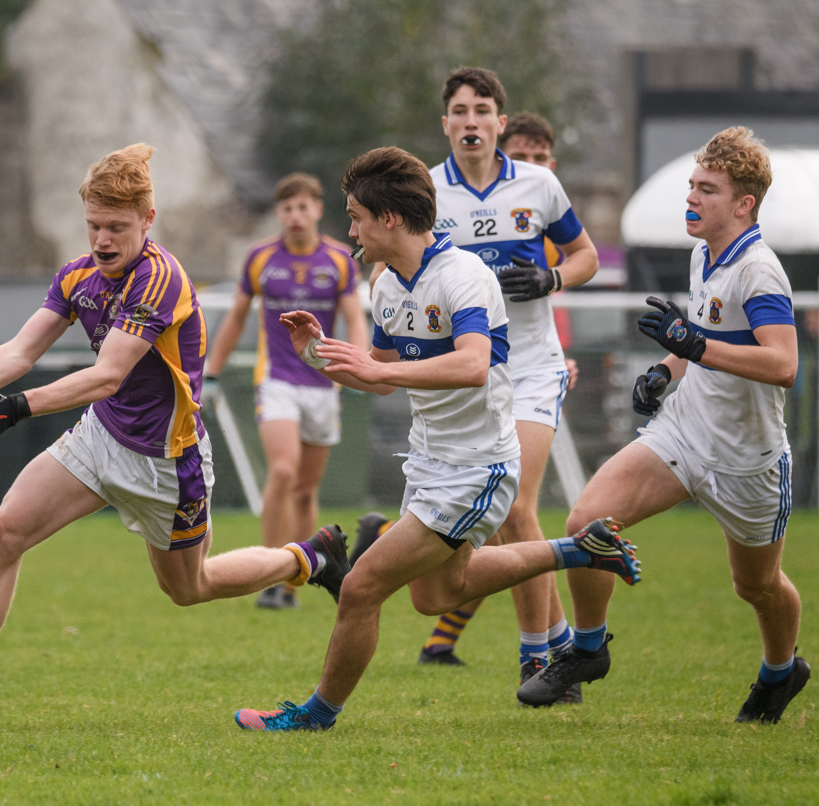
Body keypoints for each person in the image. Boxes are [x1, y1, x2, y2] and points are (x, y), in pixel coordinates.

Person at [0, 144, 353, 727]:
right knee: (4, 531)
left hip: (168, 462)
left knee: (192, 588)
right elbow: (18, 350)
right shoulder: (78, 276)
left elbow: (107, 373)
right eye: (93, 226)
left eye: (116, 227)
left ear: (148, 221)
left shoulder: (160, 278)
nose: (102, 240)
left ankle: (309, 559)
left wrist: (10, 411)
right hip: (100, 438)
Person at [233, 146, 640, 732]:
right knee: (432, 596)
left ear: (390, 219)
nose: (350, 232)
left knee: (361, 588)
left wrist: (380, 372)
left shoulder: (463, 277)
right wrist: (317, 355)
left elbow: (473, 364)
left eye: (356, 218)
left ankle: (314, 715)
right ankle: (578, 549)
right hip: (430, 463)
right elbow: (374, 371)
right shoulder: (389, 284)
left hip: (477, 467)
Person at [519, 127, 811, 723]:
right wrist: (666, 368)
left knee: (756, 587)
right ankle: (589, 648)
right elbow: (700, 339)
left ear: (744, 204)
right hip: (684, 433)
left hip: (748, 460)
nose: (692, 198)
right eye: (691, 186)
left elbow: (782, 364)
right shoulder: (704, 251)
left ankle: (781, 672)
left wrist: (695, 348)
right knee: (586, 520)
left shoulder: (759, 271)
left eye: (707, 189)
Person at [355, 71, 598, 699]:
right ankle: (564, 643)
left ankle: (538, 659)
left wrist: (551, 280)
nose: (470, 121)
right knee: (464, 553)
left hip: (532, 366)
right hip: (461, 373)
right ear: (445, 125)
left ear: (499, 121)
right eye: (458, 111)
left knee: (518, 509)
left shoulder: (538, 183)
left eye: (482, 110)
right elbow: (391, 270)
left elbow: (586, 256)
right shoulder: (425, 192)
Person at [204, 173, 369, 610]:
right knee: (281, 471)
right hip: (275, 380)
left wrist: (357, 363)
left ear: (317, 209)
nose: (296, 215)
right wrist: (212, 373)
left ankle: (297, 578)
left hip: (323, 384)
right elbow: (237, 318)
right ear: (279, 213)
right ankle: (270, 576)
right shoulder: (260, 259)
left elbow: (355, 317)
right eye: (287, 208)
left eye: (303, 206)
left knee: (305, 489)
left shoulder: (338, 259)